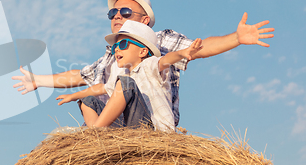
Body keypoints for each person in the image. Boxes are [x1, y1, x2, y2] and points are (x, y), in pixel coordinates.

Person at [0, 0, 274, 165]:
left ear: (145, 20)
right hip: (119, 127)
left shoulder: (156, 41)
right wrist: (39, 81)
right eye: (112, 14)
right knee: (78, 115)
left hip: (150, 128)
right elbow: (78, 76)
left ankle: (91, 139)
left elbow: (197, 50)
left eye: (124, 11)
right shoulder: (113, 54)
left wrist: (236, 38)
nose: (116, 16)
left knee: (124, 88)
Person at [55, 20, 203, 132]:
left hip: (152, 129)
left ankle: (94, 135)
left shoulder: (149, 64)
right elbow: (101, 88)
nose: (117, 49)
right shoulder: (122, 74)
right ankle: (98, 136)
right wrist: (74, 95)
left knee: (125, 84)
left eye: (124, 44)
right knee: (88, 101)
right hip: (130, 128)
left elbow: (165, 60)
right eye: (115, 47)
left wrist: (182, 53)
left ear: (142, 52)